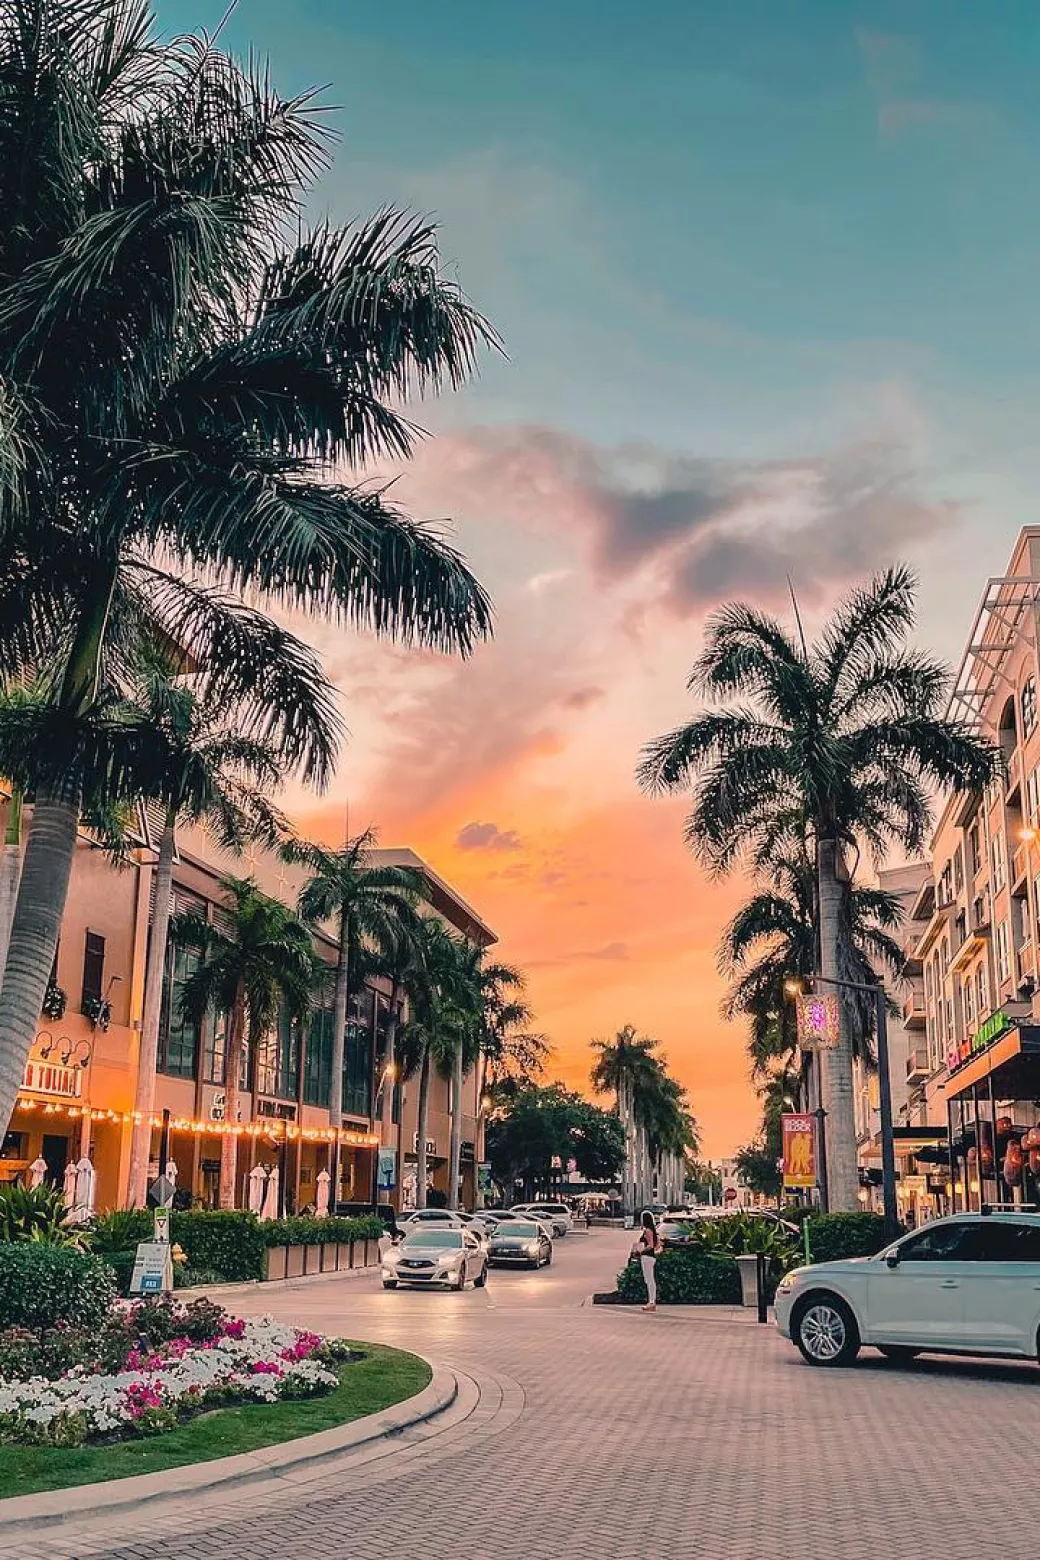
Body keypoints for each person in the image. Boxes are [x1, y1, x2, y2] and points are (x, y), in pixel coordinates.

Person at [632, 1210, 662, 1311]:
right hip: (651, 1257)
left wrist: (641, 1250)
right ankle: (651, 1301)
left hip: (647, 1257)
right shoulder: (653, 1231)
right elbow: (657, 1245)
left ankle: (651, 1302)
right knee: (649, 1279)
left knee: (649, 1280)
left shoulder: (648, 1231)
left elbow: (651, 1245)